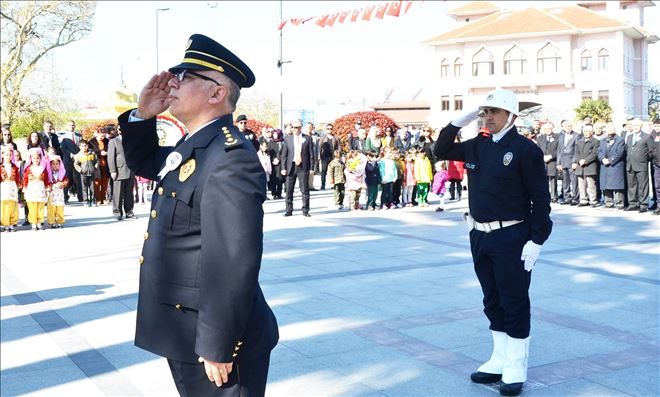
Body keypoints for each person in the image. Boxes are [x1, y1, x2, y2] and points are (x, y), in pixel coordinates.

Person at [117, 34, 278, 397]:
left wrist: (218, 345)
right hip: (186, 329)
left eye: (186, 75)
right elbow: (144, 163)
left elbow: (232, 258)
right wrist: (143, 115)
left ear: (217, 92)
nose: (173, 82)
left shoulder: (229, 156)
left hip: (216, 341)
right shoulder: (196, 146)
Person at [433, 88, 552, 397]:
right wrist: (466, 116)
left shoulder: (526, 150)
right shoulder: (478, 145)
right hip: (479, 233)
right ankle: (499, 358)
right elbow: (441, 148)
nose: (488, 117)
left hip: (512, 236)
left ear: (511, 116)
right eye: (485, 112)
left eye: (494, 112)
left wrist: (537, 239)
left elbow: (540, 199)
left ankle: (515, 364)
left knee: (514, 300)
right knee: (491, 299)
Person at [281, 119, 314, 217]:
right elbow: (284, 155)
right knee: (289, 190)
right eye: (292, 127)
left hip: (303, 167)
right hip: (291, 166)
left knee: (304, 190)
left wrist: (312, 168)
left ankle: (305, 210)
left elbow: (311, 154)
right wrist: (283, 167)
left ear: (300, 128)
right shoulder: (288, 139)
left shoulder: (307, 138)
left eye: (296, 127)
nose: (294, 129)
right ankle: (289, 210)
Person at [107, 126, 135, 220]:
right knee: (118, 193)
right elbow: (110, 157)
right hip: (119, 171)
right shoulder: (113, 141)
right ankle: (117, 212)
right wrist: (113, 171)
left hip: (130, 170)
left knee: (129, 194)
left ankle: (129, 212)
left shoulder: (131, 140)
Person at [624, 118, 652, 212]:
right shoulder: (629, 137)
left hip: (641, 165)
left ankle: (643, 204)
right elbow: (627, 149)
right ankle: (633, 203)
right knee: (631, 185)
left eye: (637, 125)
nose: (635, 127)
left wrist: (644, 159)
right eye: (633, 125)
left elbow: (651, 151)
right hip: (630, 164)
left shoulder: (647, 136)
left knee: (642, 186)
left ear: (641, 126)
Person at [598, 123, 626, 209]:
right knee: (606, 184)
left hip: (616, 165)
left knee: (617, 185)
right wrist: (602, 159)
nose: (610, 130)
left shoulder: (620, 140)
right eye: (608, 129)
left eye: (612, 129)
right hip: (604, 165)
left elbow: (620, 152)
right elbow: (599, 152)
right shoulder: (602, 140)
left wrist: (610, 160)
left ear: (615, 129)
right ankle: (608, 202)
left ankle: (619, 203)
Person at [23, 148, 50, 230]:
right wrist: (25, 188)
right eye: (34, 158)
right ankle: (33, 223)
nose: (36, 160)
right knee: (32, 206)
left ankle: (39, 222)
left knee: (40, 206)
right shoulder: (28, 169)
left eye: (37, 158)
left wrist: (47, 188)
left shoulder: (43, 169)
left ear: (40, 158)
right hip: (31, 189)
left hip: (40, 188)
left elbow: (46, 179)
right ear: (31, 158)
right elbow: (25, 179)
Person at [573, 124, 600, 207]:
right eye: (584, 131)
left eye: (588, 131)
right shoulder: (579, 141)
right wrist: (579, 160)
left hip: (590, 166)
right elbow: (576, 153)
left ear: (592, 132)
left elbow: (595, 154)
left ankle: (593, 201)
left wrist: (586, 161)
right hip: (580, 166)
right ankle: (583, 200)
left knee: (591, 184)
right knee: (581, 185)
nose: (586, 133)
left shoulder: (596, 141)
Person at [556, 120, 579, 205]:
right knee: (565, 181)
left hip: (572, 162)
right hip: (563, 161)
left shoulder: (577, 135)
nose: (567, 128)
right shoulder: (561, 136)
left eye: (569, 126)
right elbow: (559, 150)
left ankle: (575, 198)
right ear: (562, 127)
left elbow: (577, 150)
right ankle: (567, 198)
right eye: (565, 126)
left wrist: (574, 161)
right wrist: (558, 163)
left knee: (574, 181)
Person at [535, 122, 559, 203]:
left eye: (549, 128)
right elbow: (537, 149)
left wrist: (551, 156)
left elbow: (559, 150)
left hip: (553, 161)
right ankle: (544, 195)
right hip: (543, 161)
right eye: (545, 129)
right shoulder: (540, 138)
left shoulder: (558, 137)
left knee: (553, 179)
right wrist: (542, 156)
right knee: (543, 180)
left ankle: (554, 197)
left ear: (552, 129)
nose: (547, 130)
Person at [60, 120, 83, 203]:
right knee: (67, 178)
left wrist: (78, 155)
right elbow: (63, 148)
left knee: (79, 178)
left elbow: (81, 147)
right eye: (70, 125)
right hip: (68, 160)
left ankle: (80, 197)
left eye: (73, 125)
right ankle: (65, 197)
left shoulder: (79, 136)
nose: (72, 127)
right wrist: (71, 154)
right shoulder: (63, 137)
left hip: (78, 160)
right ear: (67, 126)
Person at [88, 127, 110, 205]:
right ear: (97, 134)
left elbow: (110, 149)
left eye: (104, 135)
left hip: (106, 164)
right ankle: (97, 198)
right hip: (97, 164)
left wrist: (107, 153)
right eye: (101, 135)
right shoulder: (91, 142)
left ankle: (103, 198)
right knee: (97, 182)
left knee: (105, 182)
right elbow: (90, 151)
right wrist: (100, 153)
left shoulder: (107, 141)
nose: (102, 137)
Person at [1, 145, 20, 232]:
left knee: (13, 205)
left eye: (10, 155)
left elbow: (17, 178)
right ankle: (5, 224)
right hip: (4, 187)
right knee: (4, 206)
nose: (8, 157)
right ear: (2, 155)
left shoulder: (14, 167)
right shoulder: (0, 167)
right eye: (7, 155)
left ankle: (12, 223)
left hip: (12, 187)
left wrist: (19, 186)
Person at [74, 140, 97, 207]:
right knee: (84, 187)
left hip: (92, 172)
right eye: (82, 146)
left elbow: (96, 161)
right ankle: (86, 200)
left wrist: (95, 168)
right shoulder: (78, 155)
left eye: (85, 146)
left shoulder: (92, 153)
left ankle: (93, 200)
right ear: (80, 147)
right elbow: (76, 164)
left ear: (87, 146)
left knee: (92, 187)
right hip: (83, 173)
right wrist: (80, 170)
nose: (84, 147)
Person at [47, 155, 68, 228]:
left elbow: (65, 180)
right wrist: (51, 186)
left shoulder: (62, 172)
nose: (55, 165)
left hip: (59, 193)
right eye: (53, 164)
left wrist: (62, 184)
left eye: (57, 164)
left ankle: (60, 221)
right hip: (52, 193)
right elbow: (47, 182)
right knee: (51, 208)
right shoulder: (49, 173)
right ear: (50, 164)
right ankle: (51, 222)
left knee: (60, 207)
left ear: (59, 164)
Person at [318, 123, 340, 190]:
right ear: (326, 130)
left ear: (332, 129)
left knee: (333, 171)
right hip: (324, 157)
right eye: (328, 129)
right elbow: (319, 147)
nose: (329, 130)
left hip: (333, 157)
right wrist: (319, 156)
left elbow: (339, 146)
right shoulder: (323, 137)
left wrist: (338, 152)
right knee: (323, 171)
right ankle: (323, 185)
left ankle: (333, 185)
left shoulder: (335, 137)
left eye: (331, 129)